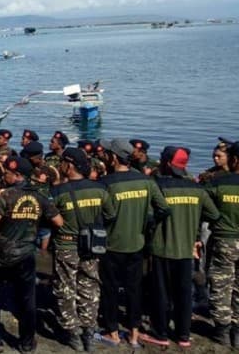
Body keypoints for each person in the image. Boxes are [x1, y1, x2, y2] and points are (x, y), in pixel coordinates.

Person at [0, 156, 63, 353]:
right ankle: (26, 343)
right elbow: (58, 221)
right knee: (27, 300)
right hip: (26, 255)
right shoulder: (40, 197)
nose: (3, 176)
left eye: (6, 173)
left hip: (0, 255)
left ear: (17, 175)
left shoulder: (6, 196)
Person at [140, 146, 220, 348]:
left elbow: (149, 217)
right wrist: (192, 217)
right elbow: (213, 215)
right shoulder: (197, 189)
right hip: (186, 250)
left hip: (162, 248)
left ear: (166, 163)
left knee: (161, 293)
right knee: (184, 294)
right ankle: (183, 336)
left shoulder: (158, 186)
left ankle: (160, 333)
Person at [97, 138, 169, 348]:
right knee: (134, 290)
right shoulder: (146, 181)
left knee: (109, 289)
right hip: (137, 244)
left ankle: (113, 333)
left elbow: (105, 216)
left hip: (112, 245)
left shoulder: (107, 183)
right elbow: (163, 209)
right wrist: (145, 222)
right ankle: (134, 335)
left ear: (113, 157)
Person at [51, 148, 113, 352]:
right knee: (89, 286)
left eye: (62, 163)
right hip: (92, 244)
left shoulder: (58, 192)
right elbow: (110, 215)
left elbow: (51, 219)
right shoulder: (100, 189)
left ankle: (72, 333)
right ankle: (89, 332)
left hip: (66, 244)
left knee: (66, 288)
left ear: (68, 166)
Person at [206, 141, 239, 347]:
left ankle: (222, 331)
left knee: (221, 284)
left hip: (224, 239)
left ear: (234, 159)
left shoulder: (218, 183)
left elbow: (207, 209)